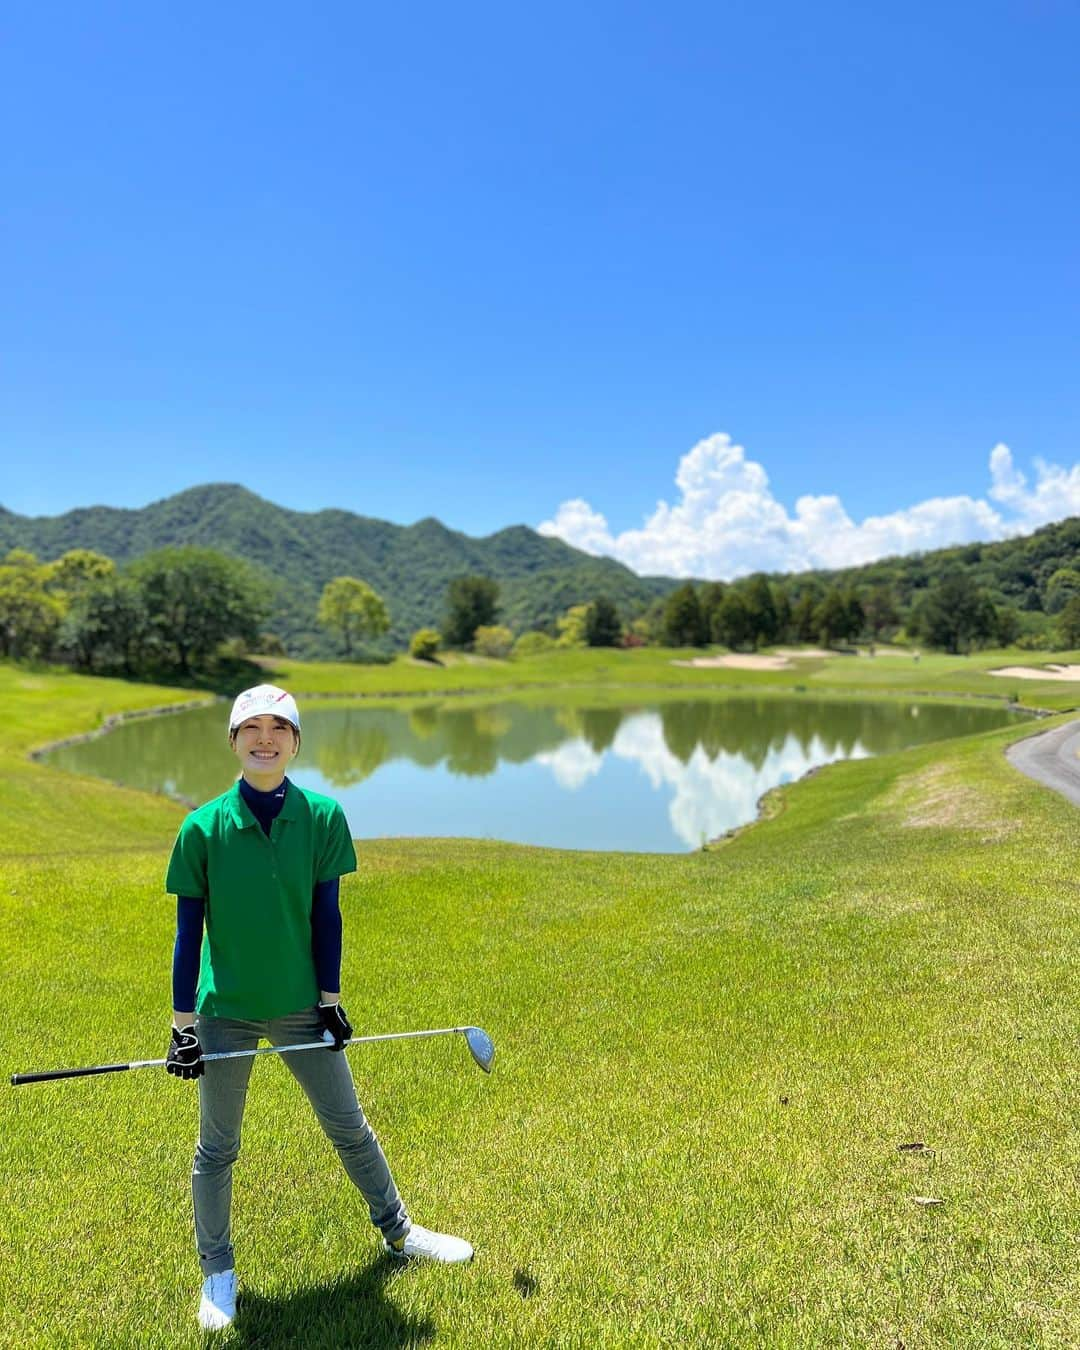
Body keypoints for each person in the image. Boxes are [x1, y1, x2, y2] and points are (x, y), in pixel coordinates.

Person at [165, 684, 472, 1332]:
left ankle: (399, 1230)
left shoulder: (325, 816)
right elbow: (188, 933)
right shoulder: (201, 827)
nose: (265, 738)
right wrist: (182, 1026)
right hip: (226, 1011)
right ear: (233, 740)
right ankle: (217, 1271)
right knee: (216, 1150)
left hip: (303, 1009)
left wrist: (331, 1003)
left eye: (279, 728)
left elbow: (327, 917)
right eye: (252, 727)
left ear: (296, 742)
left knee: (350, 1127)